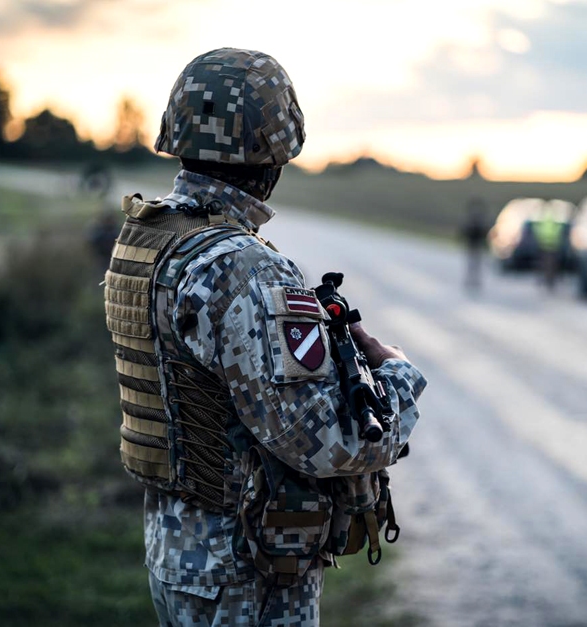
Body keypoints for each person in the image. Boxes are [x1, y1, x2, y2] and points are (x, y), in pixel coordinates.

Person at [103, 48, 426, 627]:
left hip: (178, 556)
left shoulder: (148, 239)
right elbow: (327, 443)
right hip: (244, 576)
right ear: (274, 154)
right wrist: (399, 378)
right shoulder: (243, 267)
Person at [460, 196, 489, 292]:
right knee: (474, 264)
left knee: (473, 264)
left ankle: (472, 280)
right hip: (474, 246)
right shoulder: (477, 222)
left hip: (473, 246)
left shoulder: (474, 222)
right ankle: (473, 281)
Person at [534, 206, 564, 290]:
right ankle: (549, 280)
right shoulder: (554, 219)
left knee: (545, 264)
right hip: (553, 244)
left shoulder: (543, 219)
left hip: (544, 244)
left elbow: (538, 230)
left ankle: (546, 279)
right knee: (551, 264)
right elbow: (559, 230)